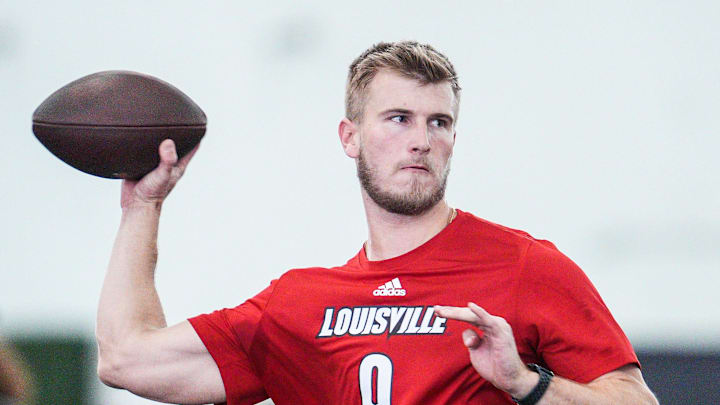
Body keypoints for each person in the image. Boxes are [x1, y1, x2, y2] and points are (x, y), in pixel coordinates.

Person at [96, 41, 658, 404]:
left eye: (440, 122)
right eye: (399, 118)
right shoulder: (299, 305)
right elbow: (126, 357)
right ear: (350, 137)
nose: (422, 139)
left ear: (454, 139)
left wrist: (526, 383)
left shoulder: (524, 267)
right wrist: (142, 207)